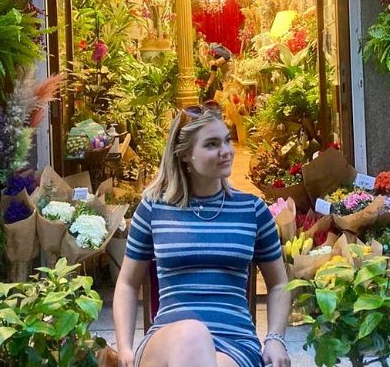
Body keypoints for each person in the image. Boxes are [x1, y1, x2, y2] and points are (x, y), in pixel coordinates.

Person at [113, 101, 291, 367]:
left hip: (235, 344)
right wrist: (124, 348)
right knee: (193, 334)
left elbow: (278, 283)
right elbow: (127, 283)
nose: (226, 151)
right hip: (167, 341)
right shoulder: (153, 209)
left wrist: (275, 338)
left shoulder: (252, 210)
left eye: (226, 141)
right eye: (211, 144)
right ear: (185, 155)